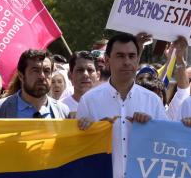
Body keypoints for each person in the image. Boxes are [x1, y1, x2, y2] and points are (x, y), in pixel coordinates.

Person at [77, 33, 184, 178]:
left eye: (132, 56)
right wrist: (93, 131)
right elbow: (79, 151)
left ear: (137, 59)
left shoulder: (152, 101)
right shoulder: (89, 100)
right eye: (120, 56)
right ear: (107, 60)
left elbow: (167, 145)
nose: (127, 61)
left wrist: (151, 127)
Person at [0, 49, 69, 119]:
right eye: (35, 70)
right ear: (21, 76)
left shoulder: (63, 111)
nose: (42, 76)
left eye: (47, 71)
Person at [62, 51, 100, 117]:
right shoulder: (61, 108)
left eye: (90, 70)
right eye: (80, 70)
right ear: (69, 75)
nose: (85, 74)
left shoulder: (108, 105)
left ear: (98, 75)